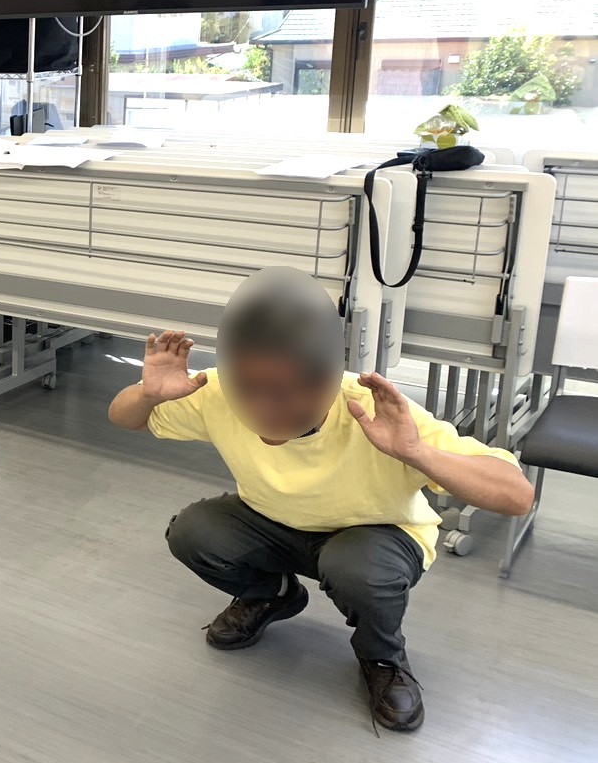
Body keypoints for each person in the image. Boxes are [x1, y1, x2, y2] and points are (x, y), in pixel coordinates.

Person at [107, 268, 534, 732]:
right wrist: (148, 394)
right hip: (276, 522)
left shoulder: (370, 409)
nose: (264, 408)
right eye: (247, 388)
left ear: (330, 379)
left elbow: (516, 495)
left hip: (373, 536)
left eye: (286, 393)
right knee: (193, 532)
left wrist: (416, 452)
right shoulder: (218, 392)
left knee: (358, 570)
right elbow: (125, 418)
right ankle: (271, 597)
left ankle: (382, 656)